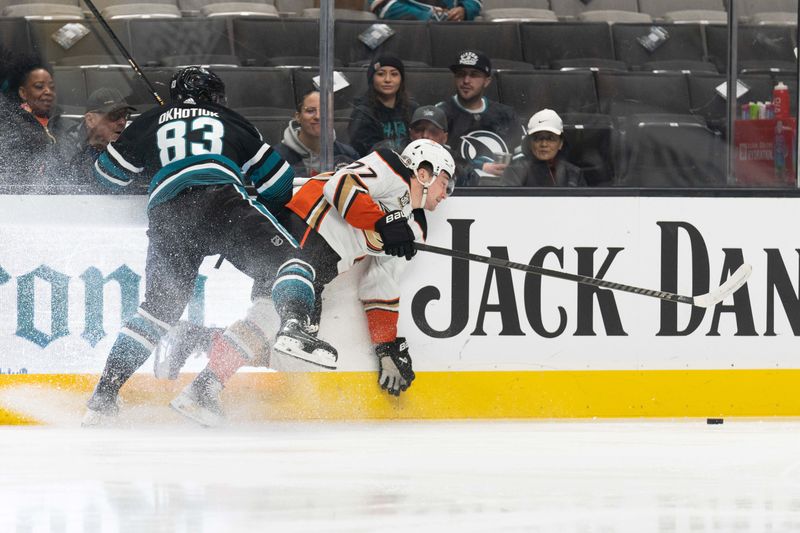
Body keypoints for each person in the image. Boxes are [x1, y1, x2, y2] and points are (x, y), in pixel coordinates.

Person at [169, 139, 456, 427]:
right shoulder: (392, 168)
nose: (446, 194)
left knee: (296, 356)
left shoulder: (413, 229)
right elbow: (341, 185)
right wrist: (382, 223)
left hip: (321, 269)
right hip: (302, 230)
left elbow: (380, 284)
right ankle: (202, 389)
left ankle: (201, 340)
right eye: (445, 183)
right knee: (270, 316)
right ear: (424, 172)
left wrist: (386, 347)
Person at [82, 66, 298, 426]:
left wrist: (157, 160)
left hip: (169, 214)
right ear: (216, 96)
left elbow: (107, 175)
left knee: (157, 311)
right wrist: (250, 201)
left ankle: (103, 397)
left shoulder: (151, 120)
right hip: (223, 204)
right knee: (285, 269)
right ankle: (212, 384)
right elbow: (280, 182)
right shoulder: (232, 119)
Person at [436, 49, 523, 187]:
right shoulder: (441, 113)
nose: (466, 80)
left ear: (487, 81)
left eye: (474, 75)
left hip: (505, 193)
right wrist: (479, 165)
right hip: (457, 193)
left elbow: (523, 155)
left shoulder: (506, 115)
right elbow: (436, 157)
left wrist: (511, 169)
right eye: (461, 74)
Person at [4, 56, 68, 186]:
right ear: (23, 93)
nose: (48, 92)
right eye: (39, 86)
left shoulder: (62, 123)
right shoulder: (9, 124)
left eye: (52, 87)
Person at [64, 88, 137, 192]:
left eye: (125, 115)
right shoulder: (67, 148)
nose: (122, 122)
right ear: (90, 120)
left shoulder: (133, 149)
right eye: (114, 115)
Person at [274, 89, 358, 177]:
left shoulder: (348, 155)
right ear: (298, 117)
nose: (318, 116)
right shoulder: (276, 158)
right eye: (310, 110)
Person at [348, 55, 417, 157]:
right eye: (381, 74)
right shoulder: (362, 112)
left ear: (401, 79)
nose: (388, 79)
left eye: (394, 74)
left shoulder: (412, 109)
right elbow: (363, 151)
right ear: (372, 79)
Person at [502, 109, 586, 187]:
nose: (544, 144)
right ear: (529, 143)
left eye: (550, 138)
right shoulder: (514, 171)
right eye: (538, 138)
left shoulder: (574, 174)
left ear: (561, 143)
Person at [368, 0, 481, 21]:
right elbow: (382, 5)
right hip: (407, 31)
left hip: (451, 31)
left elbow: (475, 2)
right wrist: (431, 15)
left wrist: (464, 10)